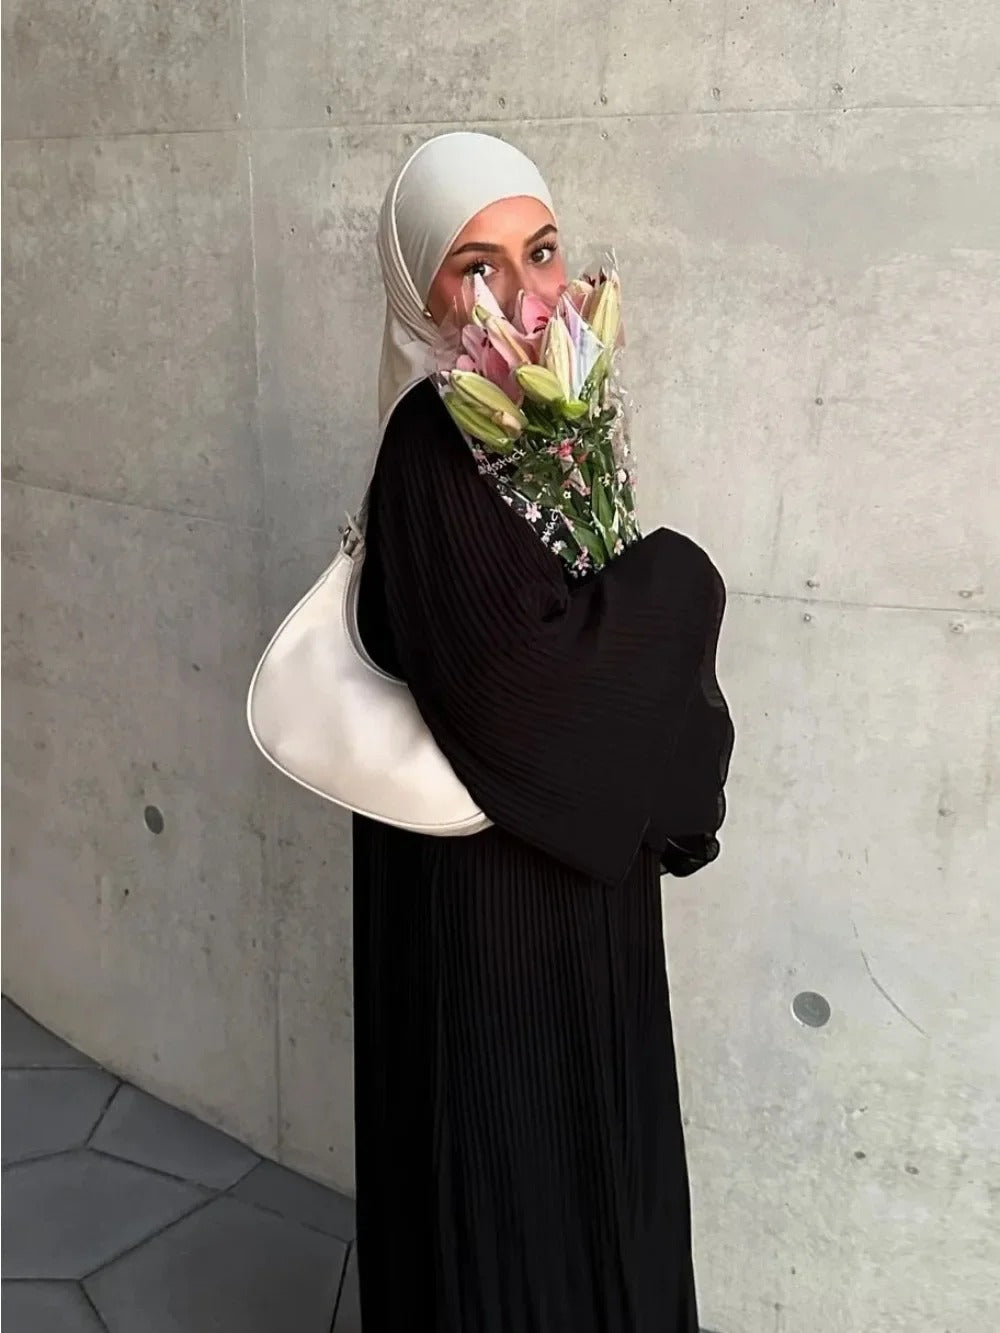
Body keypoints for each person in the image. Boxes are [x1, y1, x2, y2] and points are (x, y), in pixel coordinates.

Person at [352, 130, 734, 1333]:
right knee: (517, 1198)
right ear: (419, 292)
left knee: (600, 1183)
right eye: (477, 265)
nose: (526, 292)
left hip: (586, 904)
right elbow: (523, 696)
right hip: (493, 923)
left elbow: (610, 677)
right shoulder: (431, 447)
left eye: (544, 250)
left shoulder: (550, 426)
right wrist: (676, 584)